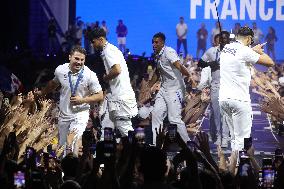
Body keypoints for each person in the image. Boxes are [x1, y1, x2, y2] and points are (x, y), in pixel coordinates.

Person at [34, 46, 103, 154]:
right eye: (76, 58)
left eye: (82, 60)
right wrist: (42, 92)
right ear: (70, 57)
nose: (79, 62)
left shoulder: (90, 75)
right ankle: (64, 168)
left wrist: (82, 100)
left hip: (80, 113)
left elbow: (100, 95)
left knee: (73, 140)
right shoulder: (60, 70)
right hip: (64, 113)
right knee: (62, 146)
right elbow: (53, 83)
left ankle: (73, 168)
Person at [219, 26, 274, 152]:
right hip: (239, 101)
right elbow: (270, 62)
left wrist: (251, 50)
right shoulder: (246, 51)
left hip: (223, 100)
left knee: (234, 138)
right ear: (249, 38)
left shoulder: (226, 48)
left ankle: (233, 168)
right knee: (242, 140)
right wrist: (259, 51)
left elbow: (240, 54)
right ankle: (240, 169)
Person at [89, 28, 138, 139]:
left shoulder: (108, 51)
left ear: (101, 39)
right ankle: (102, 154)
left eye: (93, 42)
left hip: (120, 97)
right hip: (113, 97)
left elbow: (117, 70)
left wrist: (106, 77)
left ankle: (138, 153)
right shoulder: (111, 49)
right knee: (106, 128)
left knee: (125, 129)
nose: (92, 45)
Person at [148, 32, 190, 144]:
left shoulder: (169, 51)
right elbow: (158, 72)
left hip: (175, 89)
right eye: (153, 42)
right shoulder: (157, 55)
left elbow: (179, 65)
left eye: (156, 42)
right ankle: (156, 145)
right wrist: (149, 86)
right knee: (156, 114)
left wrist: (190, 76)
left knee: (174, 119)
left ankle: (189, 146)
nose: (154, 44)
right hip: (163, 89)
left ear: (162, 43)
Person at [198, 32, 230, 147]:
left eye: (226, 39)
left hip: (228, 86)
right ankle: (218, 136)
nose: (224, 41)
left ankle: (225, 138)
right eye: (222, 39)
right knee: (217, 113)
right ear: (219, 40)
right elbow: (200, 63)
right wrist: (211, 64)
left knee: (225, 113)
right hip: (215, 85)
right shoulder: (211, 51)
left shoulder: (233, 52)